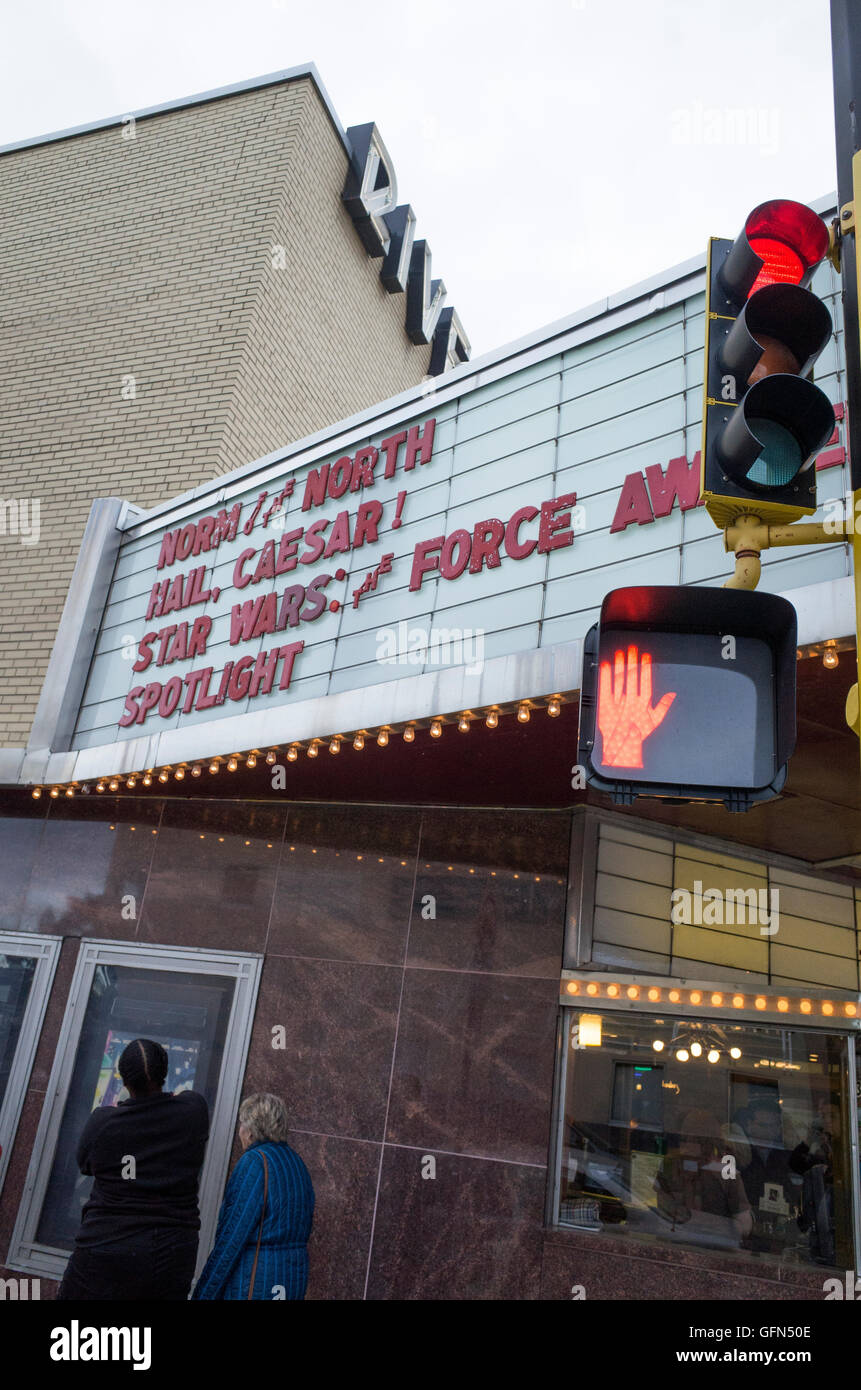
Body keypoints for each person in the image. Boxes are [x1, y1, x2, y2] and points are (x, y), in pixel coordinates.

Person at [56, 1037, 209, 1300]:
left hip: (105, 1246)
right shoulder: (192, 1111)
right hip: (171, 1253)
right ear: (165, 1074)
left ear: (124, 1080)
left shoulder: (103, 1123)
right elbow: (184, 1099)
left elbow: (86, 1165)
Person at [192, 1092, 314, 1300]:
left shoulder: (255, 1162)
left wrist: (204, 1294)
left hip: (255, 1284)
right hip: (291, 1281)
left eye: (241, 1125)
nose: (239, 1131)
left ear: (250, 1131)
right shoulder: (297, 1164)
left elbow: (231, 1240)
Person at [654, 1108, 752, 1248]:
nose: (689, 1142)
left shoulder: (671, 1163)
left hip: (687, 1244)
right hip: (704, 1246)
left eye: (696, 1139)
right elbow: (744, 1225)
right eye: (686, 1138)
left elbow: (662, 1215)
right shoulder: (725, 1169)